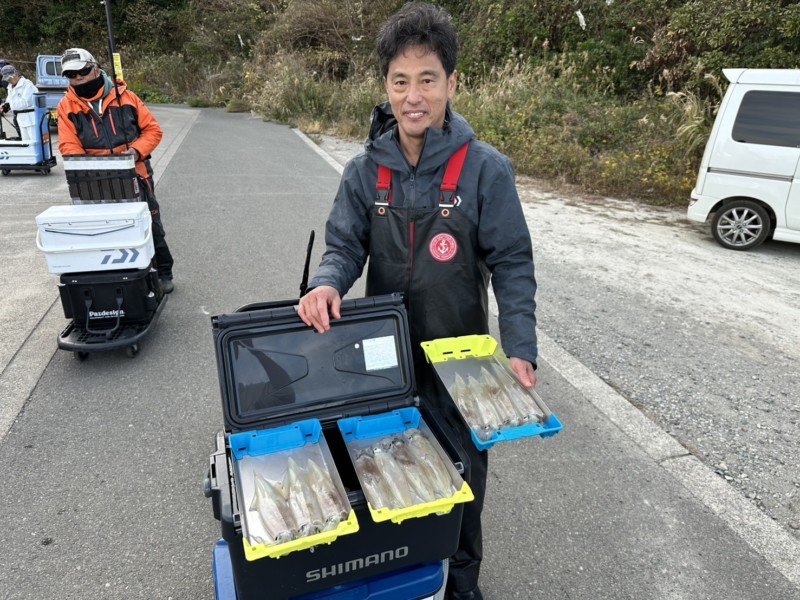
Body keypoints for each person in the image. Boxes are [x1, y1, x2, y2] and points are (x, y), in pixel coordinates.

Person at [297, 3, 538, 599]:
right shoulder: (363, 172)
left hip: (462, 358)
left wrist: (520, 347)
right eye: (400, 81)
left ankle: (461, 584)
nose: (413, 96)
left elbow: (512, 262)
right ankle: (400, 579)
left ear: (452, 84)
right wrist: (326, 283)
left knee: (463, 477)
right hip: (385, 359)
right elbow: (343, 247)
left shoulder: (487, 170)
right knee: (387, 468)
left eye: (427, 79)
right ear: (385, 86)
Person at [56, 48, 175, 293]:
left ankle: (163, 272)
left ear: (96, 69)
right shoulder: (66, 106)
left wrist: (135, 151)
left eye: (83, 71)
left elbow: (153, 130)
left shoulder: (127, 97)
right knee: (104, 231)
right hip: (93, 180)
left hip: (135, 173)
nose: (78, 78)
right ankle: (116, 280)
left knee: (150, 226)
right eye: (71, 75)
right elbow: (68, 145)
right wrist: (90, 167)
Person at [1, 64, 38, 142]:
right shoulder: (10, 87)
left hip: (31, 119)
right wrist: (4, 106)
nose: (8, 80)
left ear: (16, 74)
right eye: (7, 79)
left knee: (34, 142)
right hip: (20, 119)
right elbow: (9, 100)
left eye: (9, 78)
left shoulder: (27, 85)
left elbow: (25, 102)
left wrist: (9, 105)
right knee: (25, 143)